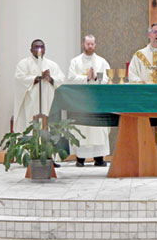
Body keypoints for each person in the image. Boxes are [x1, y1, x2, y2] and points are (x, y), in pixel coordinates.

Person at [67, 35, 111, 167]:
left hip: (96, 100)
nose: (90, 46)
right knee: (82, 128)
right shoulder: (75, 62)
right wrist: (86, 78)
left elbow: (107, 78)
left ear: (95, 45)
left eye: (92, 44)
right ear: (83, 44)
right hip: (81, 100)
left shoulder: (102, 62)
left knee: (97, 129)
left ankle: (99, 158)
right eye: (88, 44)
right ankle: (80, 158)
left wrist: (96, 78)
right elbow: (70, 78)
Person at [13, 39, 66, 133]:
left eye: (41, 47)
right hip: (31, 101)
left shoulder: (52, 64)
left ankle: (48, 144)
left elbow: (61, 79)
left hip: (48, 100)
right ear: (31, 50)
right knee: (31, 123)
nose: (39, 49)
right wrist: (37, 78)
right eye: (36, 47)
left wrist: (50, 79)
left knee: (48, 124)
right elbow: (19, 78)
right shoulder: (24, 64)